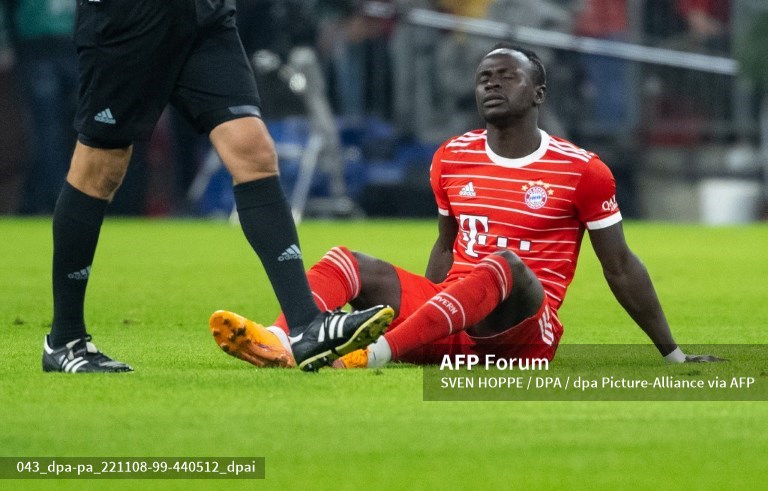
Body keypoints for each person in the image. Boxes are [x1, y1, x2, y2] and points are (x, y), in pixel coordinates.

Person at [209, 43, 720, 370]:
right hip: (452, 319)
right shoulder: (453, 156)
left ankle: (372, 356)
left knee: (504, 264)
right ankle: (281, 339)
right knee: (346, 259)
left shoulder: (583, 169)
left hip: (522, 335)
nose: (491, 84)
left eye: (506, 76)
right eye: (483, 78)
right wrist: (430, 302)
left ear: (539, 92)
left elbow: (622, 267)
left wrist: (671, 354)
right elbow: (445, 246)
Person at [42, 0, 394, 374]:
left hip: (202, 16)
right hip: (127, 19)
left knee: (252, 148)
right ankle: (65, 339)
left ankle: (306, 324)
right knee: (101, 167)